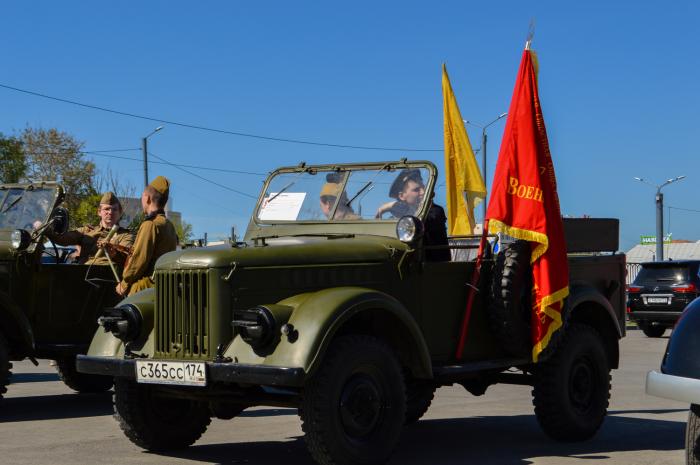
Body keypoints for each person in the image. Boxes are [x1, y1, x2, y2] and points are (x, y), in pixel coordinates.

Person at [116, 176, 178, 296]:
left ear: (147, 198)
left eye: (142, 196)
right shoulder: (169, 225)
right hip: (163, 287)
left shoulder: (150, 224)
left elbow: (139, 260)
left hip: (145, 289)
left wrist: (124, 282)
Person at [377, 169, 450, 261]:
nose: (423, 192)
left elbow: (418, 220)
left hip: (432, 267)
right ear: (402, 196)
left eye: (423, 187)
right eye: (416, 190)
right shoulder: (401, 213)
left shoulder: (436, 211)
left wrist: (390, 206)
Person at [49, 192, 134, 267]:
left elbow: (127, 257)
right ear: (99, 212)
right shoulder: (86, 231)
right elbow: (64, 239)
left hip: (109, 277)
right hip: (83, 275)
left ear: (120, 213)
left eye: (114, 209)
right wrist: (47, 230)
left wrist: (113, 251)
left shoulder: (125, 235)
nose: (110, 212)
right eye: (106, 209)